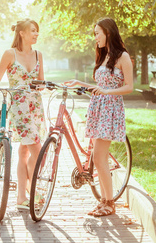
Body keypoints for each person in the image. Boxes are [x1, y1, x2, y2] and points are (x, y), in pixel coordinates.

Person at [64, 17, 133, 217]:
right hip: (98, 108)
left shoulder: (123, 57)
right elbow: (99, 88)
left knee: (99, 157)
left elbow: (129, 87)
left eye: (97, 33)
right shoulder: (103, 56)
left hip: (111, 109)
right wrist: (79, 83)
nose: (95, 38)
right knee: (98, 157)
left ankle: (109, 203)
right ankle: (104, 200)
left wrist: (106, 92)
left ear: (108, 33)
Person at [0, 19, 47, 210]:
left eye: (37, 31)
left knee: (25, 152)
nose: (36, 34)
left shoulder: (38, 54)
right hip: (19, 108)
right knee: (38, 152)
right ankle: (32, 189)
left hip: (35, 106)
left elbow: (41, 82)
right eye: (33, 31)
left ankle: (21, 198)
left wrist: (43, 85)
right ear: (22, 33)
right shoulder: (9, 54)